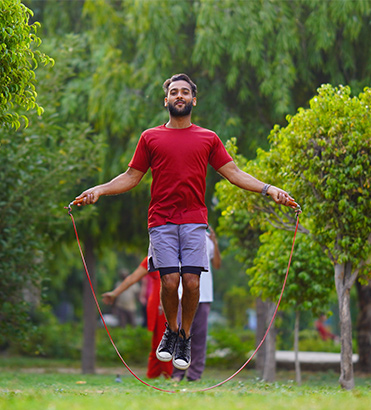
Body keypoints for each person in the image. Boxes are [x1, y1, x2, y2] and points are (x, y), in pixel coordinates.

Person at [73, 73, 298, 371]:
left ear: (194, 99)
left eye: (185, 92)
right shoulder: (150, 137)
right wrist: (98, 189)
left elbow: (234, 173)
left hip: (194, 221)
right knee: (170, 280)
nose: (179, 96)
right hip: (161, 221)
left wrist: (270, 189)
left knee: (192, 283)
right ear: (166, 100)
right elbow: (131, 177)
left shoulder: (208, 138)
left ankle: (184, 337)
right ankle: (170, 329)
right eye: (174, 92)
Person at [102, 257, 173, 379]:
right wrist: (115, 293)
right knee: (158, 340)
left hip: (173, 301)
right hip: (157, 305)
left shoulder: (178, 255)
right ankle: (156, 374)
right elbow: (132, 278)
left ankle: (167, 374)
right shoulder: (151, 259)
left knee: (168, 339)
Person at [172, 226, 221, 382]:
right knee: (182, 333)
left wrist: (215, 242)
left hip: (205, 295)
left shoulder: (208, 239)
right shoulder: (181, 235)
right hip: (183, 294)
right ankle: (178, 374)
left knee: (200, 337)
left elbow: (217, 264)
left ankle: (195, 375)